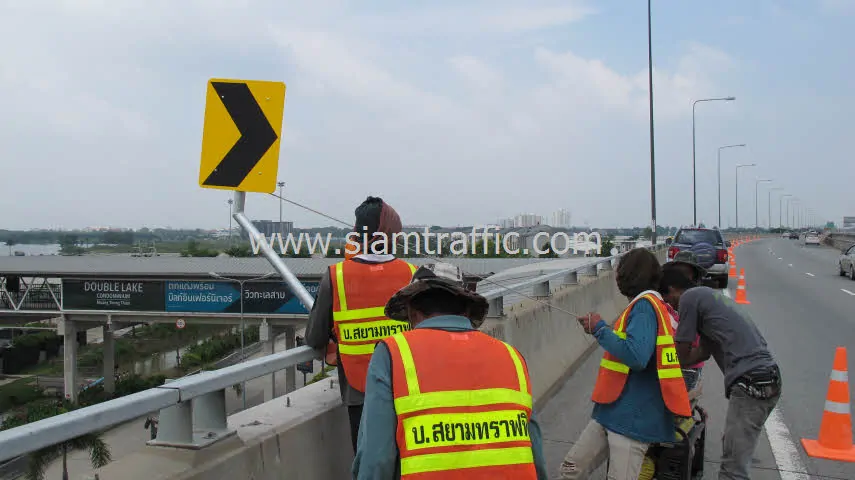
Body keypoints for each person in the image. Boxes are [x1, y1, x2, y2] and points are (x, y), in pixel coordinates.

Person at [352, 263, 548, 479]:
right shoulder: (512, 356)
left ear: (413, 314)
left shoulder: (393, 353)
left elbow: (376, 457)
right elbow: (535, 453)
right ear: (466, 310)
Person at [559, 248, 691, 480]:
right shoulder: (651, 306)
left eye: (620, 272)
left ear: (630, 275)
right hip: (611, 412)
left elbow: (637, 356)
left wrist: (600, 329)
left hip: (632, 421)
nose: (617, 277)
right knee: (571, 469)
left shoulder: (644, 307)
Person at [305, 196, 416, 453]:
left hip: (359, 391)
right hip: (408, 387)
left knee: (368, 461)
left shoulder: (336, 276)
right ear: (391, 236)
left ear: (356, 235)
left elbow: (314, 337)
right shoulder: (411, 275)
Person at [659, 267, 782, 480]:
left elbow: (681, 352)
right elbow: (700, 354)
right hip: (766, 378)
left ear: (672, 289)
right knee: (734, 452)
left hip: (751, 383)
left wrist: (658, 360)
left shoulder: (689, 298)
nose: (672, 307)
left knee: (732, 470)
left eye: (668, 301)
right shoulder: (710, 300)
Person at [663, 251, 707, 393]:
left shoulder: (695, 302)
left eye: (686, 274)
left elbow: (694, 346)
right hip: (671, 366)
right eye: (678, 273)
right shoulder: (665, 299)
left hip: (688, 369)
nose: (682, 278)